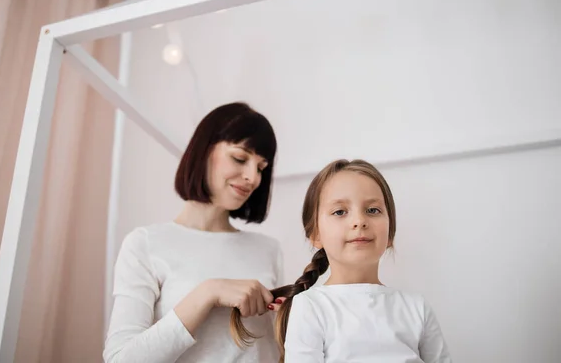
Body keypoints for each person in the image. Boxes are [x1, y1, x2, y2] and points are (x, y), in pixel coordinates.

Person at [103, 102, 285, 363]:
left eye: (261, 168)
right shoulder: (145, 244)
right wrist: (208, 293)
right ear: (204, 150)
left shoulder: (269, 249)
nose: (252, 178)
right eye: (240, 158)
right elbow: (120, 360)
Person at [233, 159, 452, 362]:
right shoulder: (310, 308)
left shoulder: (417, 308)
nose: (359, 221)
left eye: (373, 210)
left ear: (390, 233)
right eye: (340, 212)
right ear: (316, 234)